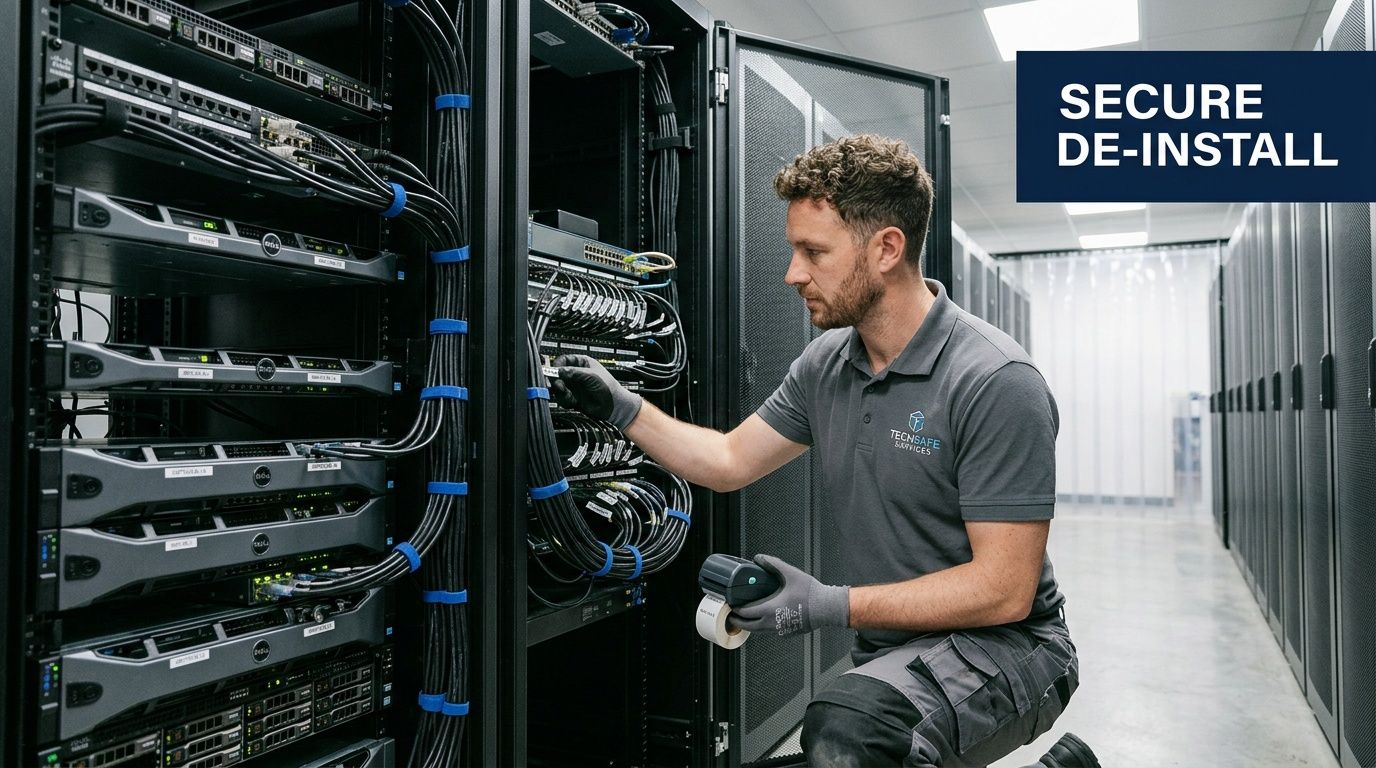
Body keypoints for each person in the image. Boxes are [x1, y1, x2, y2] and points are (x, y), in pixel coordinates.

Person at [550, 134, 1098, 768]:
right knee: (843, 737)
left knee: (848, 734)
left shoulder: (994, 380)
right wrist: (623, 408)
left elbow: (1004, 590)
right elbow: (728, 462)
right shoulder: (827, 365)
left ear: (886, 248)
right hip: (897, 651)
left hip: (1012, 648)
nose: (793, 273)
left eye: (814, 252)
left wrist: (825, 604)